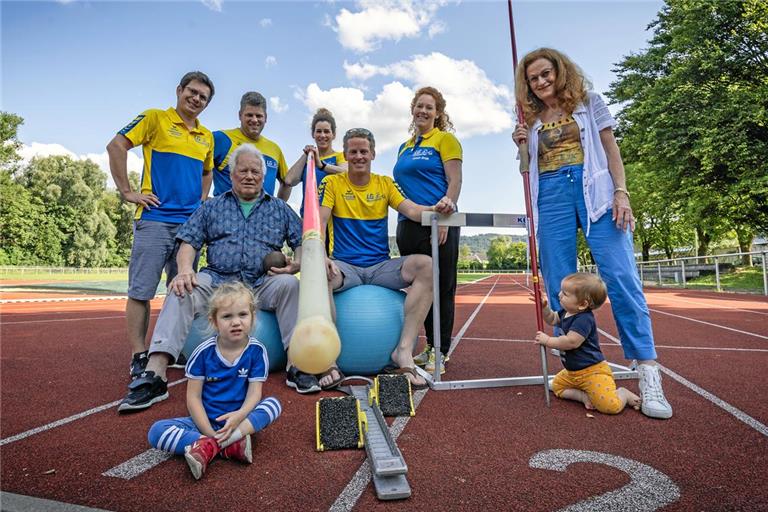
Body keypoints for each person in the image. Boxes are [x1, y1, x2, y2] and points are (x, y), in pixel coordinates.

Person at [511, 47, 672, 419]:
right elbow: (524, 166)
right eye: (533, 78)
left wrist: (621, 192)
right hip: (550, 193)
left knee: (621, 278)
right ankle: (579, 367)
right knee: (560, 283)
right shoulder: (529, 118)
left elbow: (610, 148)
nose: (541, 82)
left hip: (595, 190)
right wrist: (520, 142)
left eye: (546, 73)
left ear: (560, 71)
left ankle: (647, 370)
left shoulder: (590, 102)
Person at [118, 143, 315, 412]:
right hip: (218, 282)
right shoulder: (212, 207)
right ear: (232, 175)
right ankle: (155, 372)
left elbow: (301, 239)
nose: (249, 176)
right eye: (242, 170)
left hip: (260, 283)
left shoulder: (280, 208)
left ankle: (297, 365)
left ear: (262, 175)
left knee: (290, 285)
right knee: (182, 288)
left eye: (255, 171)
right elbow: (189, 241)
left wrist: (298, 263)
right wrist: (186, 269)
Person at [319, 128, 455, 389]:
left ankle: (403, 351)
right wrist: (323, 257)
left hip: (380, 265)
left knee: (427, 265)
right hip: (345, 266)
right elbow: (321, 222)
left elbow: (412, 211)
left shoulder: (384, 183)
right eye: (353, 152)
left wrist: (436, 208)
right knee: (319, 274)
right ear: (345, 155)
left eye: (363, 151)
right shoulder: (332, 183)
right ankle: (329, 357)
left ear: (373, 153)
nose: (359, 156)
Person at [107, 71, 215, 385]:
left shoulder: (205, 136)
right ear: (179, 90)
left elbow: (206, 172)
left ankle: (172, 348)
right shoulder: (155, 119)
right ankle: (140, 354)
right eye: (192, 92)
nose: (196, 99)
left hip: (189, 228)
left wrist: (202, 202)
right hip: (155, 219)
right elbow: (116, 146)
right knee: (141, 291)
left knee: (181, 289)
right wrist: (127, 192)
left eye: (202, 97)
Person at [147, 282, 282, 480]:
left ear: (253, 317)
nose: (236, 322)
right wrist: (209, 431)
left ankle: (212, 446)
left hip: (239, 422)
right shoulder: (203, 353)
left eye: (242, 315)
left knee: (273, 405)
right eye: (227, 316)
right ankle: (227, 445)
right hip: (204, 422)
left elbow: (255, 394)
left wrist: (239, 416)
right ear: (214, 321)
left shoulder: (257, 351)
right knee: (156, 432)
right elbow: (193, 398)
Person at [393, 87, 462, 375]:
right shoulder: (404, 147)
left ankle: (440, 351)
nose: (423, 111)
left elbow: (455, 181)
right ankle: (425, 347)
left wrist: (445, 216)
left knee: (443, 288)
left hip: (439, 224)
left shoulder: (445, 140)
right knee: (422, 290)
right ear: (413, 109)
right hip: (408, 224)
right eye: (419, 106)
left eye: (429, 107)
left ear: (438, 113)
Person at [534, 273, 641, 415]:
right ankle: (583, 396)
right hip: (572, 373)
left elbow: (571, 342)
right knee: (555, 386)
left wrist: (547, 341)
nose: (559, 295)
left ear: (582, 304)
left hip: (592, 372)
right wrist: (544, 308)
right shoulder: (567, 312)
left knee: (610, 407)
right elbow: (552, 319)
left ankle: (624, 394)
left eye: (565, 294)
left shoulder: (584, 319)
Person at [211, 92, 291, 200]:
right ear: (240, 115)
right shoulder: (220, 139)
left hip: (265, 216)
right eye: (249, 115)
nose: (254, 120)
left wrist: (279, 207)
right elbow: (197, 170)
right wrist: (203, 200)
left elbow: (287, 182)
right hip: (226, 214)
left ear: (266, 118)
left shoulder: (275, 149)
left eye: (259, 116)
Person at [284, 108, 348, 217]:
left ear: (334, 134)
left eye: (326, 131)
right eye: (318, 131)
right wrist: (306, 154)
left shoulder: (339, 156)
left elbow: (346, 172)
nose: (322, 135)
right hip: (309, 218)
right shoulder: (308, 159)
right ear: (313, 134)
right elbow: (289, 181)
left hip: (333, 220)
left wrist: (322, 166)